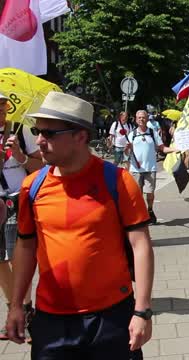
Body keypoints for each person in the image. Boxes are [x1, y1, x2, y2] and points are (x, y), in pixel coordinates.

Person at [6, 92, 154, 359]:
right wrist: (17, 305)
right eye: (37, 130)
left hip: (111, 317)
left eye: (49, 133)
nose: (39, 140)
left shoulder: (118, 181)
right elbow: (26, 246)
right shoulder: (32, 187)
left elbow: (141, 245)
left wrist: (142, 311)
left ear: (81, 136)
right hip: (51, 321)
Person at [0, 92, 43, 342]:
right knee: (0, 260)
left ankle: (25, 310)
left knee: (18, 258)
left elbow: (41, 165)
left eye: (4, 105)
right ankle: (12, 308)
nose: (2, 110)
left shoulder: (20, 130)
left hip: (17, 199)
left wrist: (21, 156)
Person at [126, 110, 178, 224]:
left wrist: (175, 149)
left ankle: (150, 210)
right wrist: (127, 148)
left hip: (150, 168)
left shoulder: (152, 133)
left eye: (143, 117)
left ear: (147, 119)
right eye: (139, 117)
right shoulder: (132, 134)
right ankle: (140, 214)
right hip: (136, 169)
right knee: (137, 194)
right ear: (136, 119)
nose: (141, 119)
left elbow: (162, 148)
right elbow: (126, 154)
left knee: (150, 193)